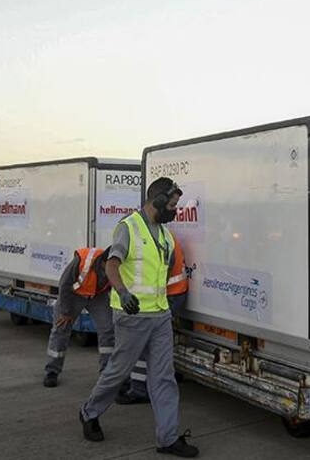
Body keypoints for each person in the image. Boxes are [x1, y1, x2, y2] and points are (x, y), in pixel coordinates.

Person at [78, 178, 198, 457]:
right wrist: (122, 292)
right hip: (132, 316)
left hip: (160, 315)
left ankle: (168, 439)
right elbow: (111, 265)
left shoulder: (165, 235)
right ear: (158, 200)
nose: (174, 211)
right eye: (171, 205)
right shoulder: (128, 227)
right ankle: (89, 412)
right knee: (118, 371)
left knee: (164, 377)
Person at [118, 235, 189, 405]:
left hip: (169, 294)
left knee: (143, 341)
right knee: (156, 341)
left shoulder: (153, 240)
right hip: (173, 292)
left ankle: (139, 389)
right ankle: (154, 382)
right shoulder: (159, 236)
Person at [42, 246, 116, 388]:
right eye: (111, 266)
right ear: (103, 262)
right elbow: (64, 284)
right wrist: (65, 312)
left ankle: (106, 373)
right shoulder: (83, 261)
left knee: (108, 328)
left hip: (97, 296)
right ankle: (52, 371)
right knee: (61, 328)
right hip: (73, 295)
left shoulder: (115, 267)